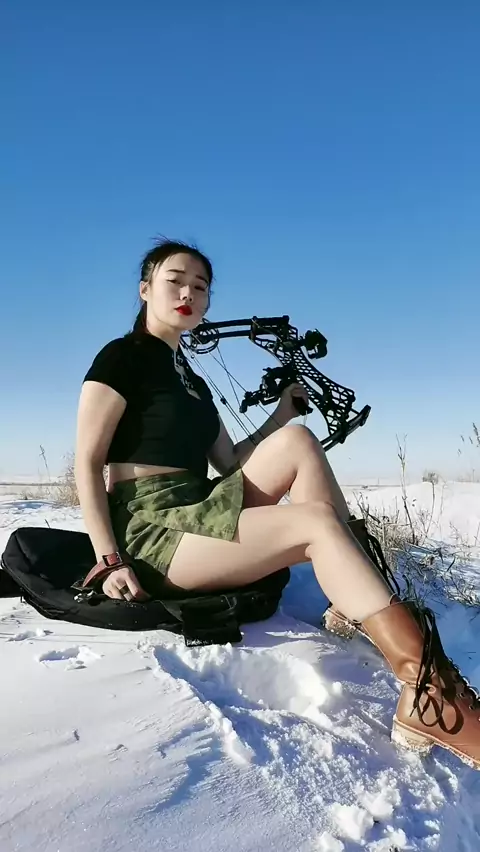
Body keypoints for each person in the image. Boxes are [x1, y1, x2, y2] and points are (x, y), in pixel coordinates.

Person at [75, 238, 480, 769]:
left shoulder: (192, 381)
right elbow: (87, 462)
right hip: (152, 532)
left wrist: (283, 414)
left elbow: (230, 462)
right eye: (175, 281)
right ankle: (428, 694)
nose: (188, 294)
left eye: (201, 287)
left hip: (201, 506)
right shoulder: (122, 357)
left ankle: (352, 598)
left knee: (299, 442)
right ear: (146, 289)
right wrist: (109, 560)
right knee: (314, 523)